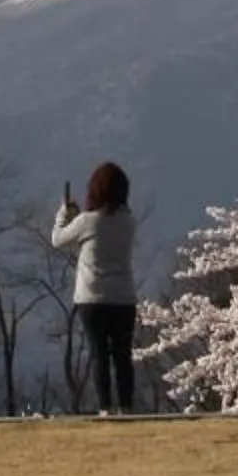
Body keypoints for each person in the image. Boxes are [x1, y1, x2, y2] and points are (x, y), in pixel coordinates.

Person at [52, 161, 138, 414]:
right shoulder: (129, 222)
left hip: (92, 298)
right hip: (124, 297)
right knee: (123, 356)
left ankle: (105, 408)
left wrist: (63, 216)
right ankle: (127, 407)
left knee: (99, 354)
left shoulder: (87, 221)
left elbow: (58, 239)